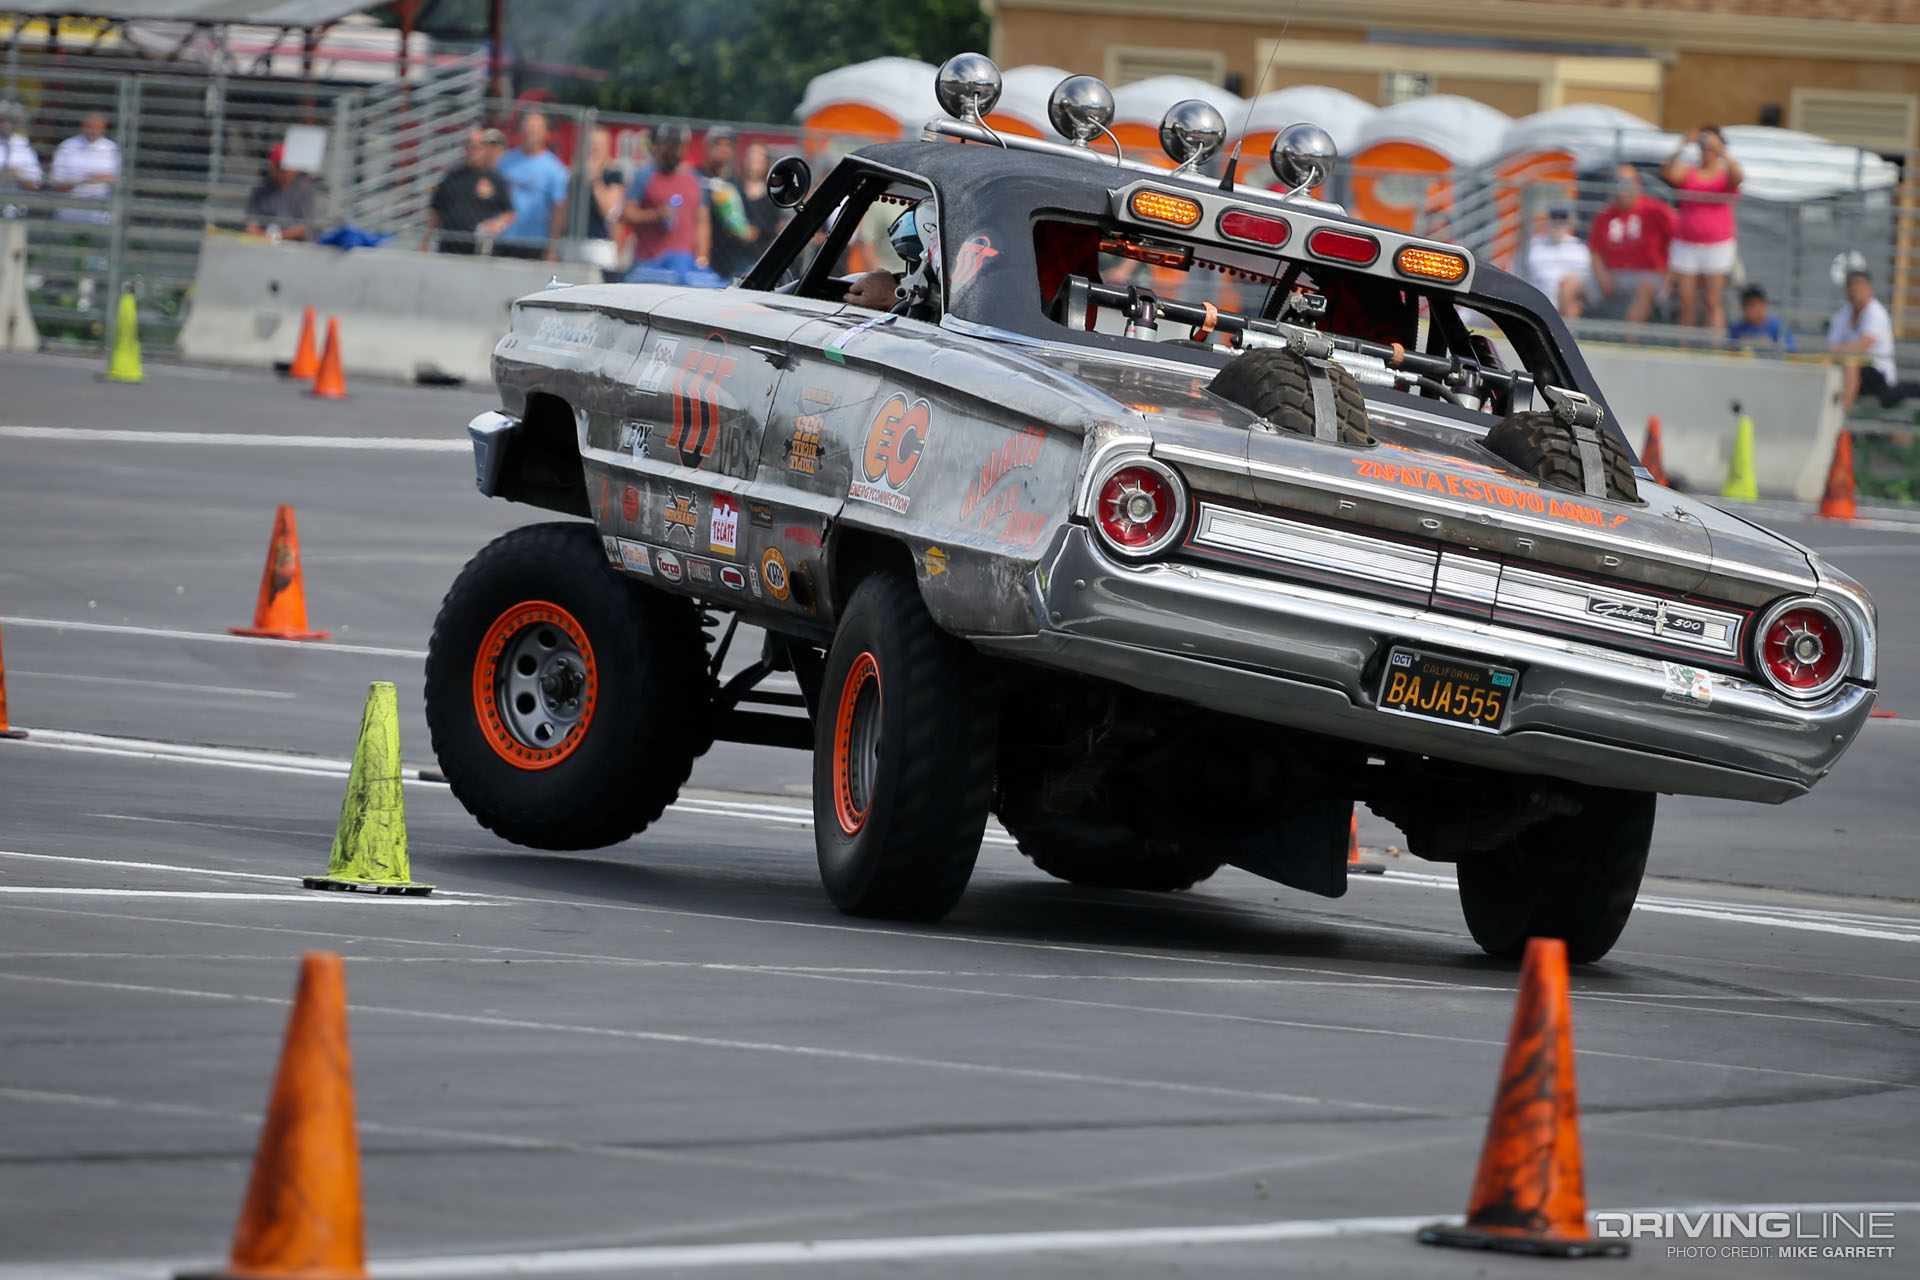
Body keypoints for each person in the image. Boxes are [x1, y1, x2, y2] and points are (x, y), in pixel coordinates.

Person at [1661, 126, 1743, 330]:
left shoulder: (1725, 173)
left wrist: (1722, 151)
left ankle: (1715, 351)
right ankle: (1685, 347)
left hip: (1717, 245)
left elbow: (1738, 178)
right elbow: (1668, 174)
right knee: (1686, 302)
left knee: (1712, 301)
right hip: (1686, 244)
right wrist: (1682, 145)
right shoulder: (1689, 171)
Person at [621, 122, 711, 283]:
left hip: (683, 266)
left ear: (684, 148)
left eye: (677, 146)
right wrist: (656, 215)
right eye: (668, 146)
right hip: (648, 264)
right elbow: (627, 214)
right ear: (658, 146)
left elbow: (702, 221)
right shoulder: (644, 175)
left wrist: (702, 259)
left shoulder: (694, 179)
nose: (672, 151)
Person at [1587, 164, 1675, 325]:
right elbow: (1595, 251)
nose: (1622, 188)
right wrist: (1602, 276)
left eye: (1626, 183)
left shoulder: (1656, 210)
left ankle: (1628, 340)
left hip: (1649, 274)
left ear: (1637, 185)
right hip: (1613, 273)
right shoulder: (1605, 214)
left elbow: (1679, 239)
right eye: (1616, 183)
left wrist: (1669, 273)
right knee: (1570, 285)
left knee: (1646, 288)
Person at [1828, 270, 1911, 412]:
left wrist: (1841, 351)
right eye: (1851, 286)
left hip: (1879, 374)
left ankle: (1842, 416)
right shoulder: (1842, 314)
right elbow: (1831, 348)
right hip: (1853, 372)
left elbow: (1863, 345)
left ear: (1869, 290)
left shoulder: (1876, 313)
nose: (1855, 290)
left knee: (1851, 361)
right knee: (1825, 363)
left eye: (1859, 285)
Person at [425, 127, 514, 255]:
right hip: (449, 246)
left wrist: (496, 224)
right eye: (469, 147)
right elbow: (436, 210)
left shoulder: (494, 179)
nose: (473, 151)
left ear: (484, 149)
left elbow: (509, 213)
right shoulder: (452, 177)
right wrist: (425, 239)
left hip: (477, 249)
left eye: (477, 147)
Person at [494, 111, 569, 261]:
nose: (531, 132)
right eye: (527, 128)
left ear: (545, 133)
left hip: (534, 242)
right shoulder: (506, 161)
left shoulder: (555, 169)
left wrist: (552, 247)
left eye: (535, 129)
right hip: (503, 239)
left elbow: (558, 209)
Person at [701, 126, 759, 277]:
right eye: (718, 144)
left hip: (730, 258)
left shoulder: (737, 186)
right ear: (708, 147)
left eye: (728, 145)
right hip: (700, 254)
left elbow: (746, 224)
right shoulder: (697, 178)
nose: (723, 149)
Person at [566, 126, 625, 271]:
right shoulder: (575, 173)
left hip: (599, 243)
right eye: (592, 144)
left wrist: (595, 180)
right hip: (573, 240)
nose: (595, 148)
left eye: (599, 144)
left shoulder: (612, 175)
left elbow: (609, 211)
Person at [48, 112, 118, 226]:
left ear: (103, 128)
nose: (92, 131)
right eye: (89, 127)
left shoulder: (112, 149)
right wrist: (84, 179)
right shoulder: (67, 146)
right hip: (69, 213)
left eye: (96, 127)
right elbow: (56, 182)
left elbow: (119, 181)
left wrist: (105, 179)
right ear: (82, 126)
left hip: (101, 215)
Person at [1524, 204, 1591, 319]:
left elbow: (1585, 285)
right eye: (1554, 219)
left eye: (1562, 220)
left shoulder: (1579, 248)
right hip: (1537, 303)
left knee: (1569, 287)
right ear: (1548, 221)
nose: (1558, 224)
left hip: (1567, 305)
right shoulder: (1533, 245)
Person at [244, 143, 317, 240]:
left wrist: (276, 237)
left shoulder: (304, 190)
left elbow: (304, 228)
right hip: (262, 244)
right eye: (279, 167)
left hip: (295, 246)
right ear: (272, 167)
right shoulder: (261, 189)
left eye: (287, 167)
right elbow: (251, 224)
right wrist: (263, 237)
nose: (284, 172)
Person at [740, 140, 786, 247]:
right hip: (736, 250)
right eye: (752, 156)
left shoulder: (773, 193)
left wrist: (758, 230)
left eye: (759, 157)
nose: (755, 160)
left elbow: (778, 223)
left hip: (763, 248)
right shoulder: (736, 188)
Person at [1726, 284, 1795, 353]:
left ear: (1763, 304)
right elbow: (1730, 350)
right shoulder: (1737, 328)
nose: (1748, 308)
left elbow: (1789, 352)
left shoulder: (1778, 328)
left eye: (1753, 304)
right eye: (1745, 305)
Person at [2, 101, 42, 217]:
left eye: (13, 121)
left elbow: (34, 184)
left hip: (14, 212)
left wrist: (18, 174)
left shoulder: (24, 145)